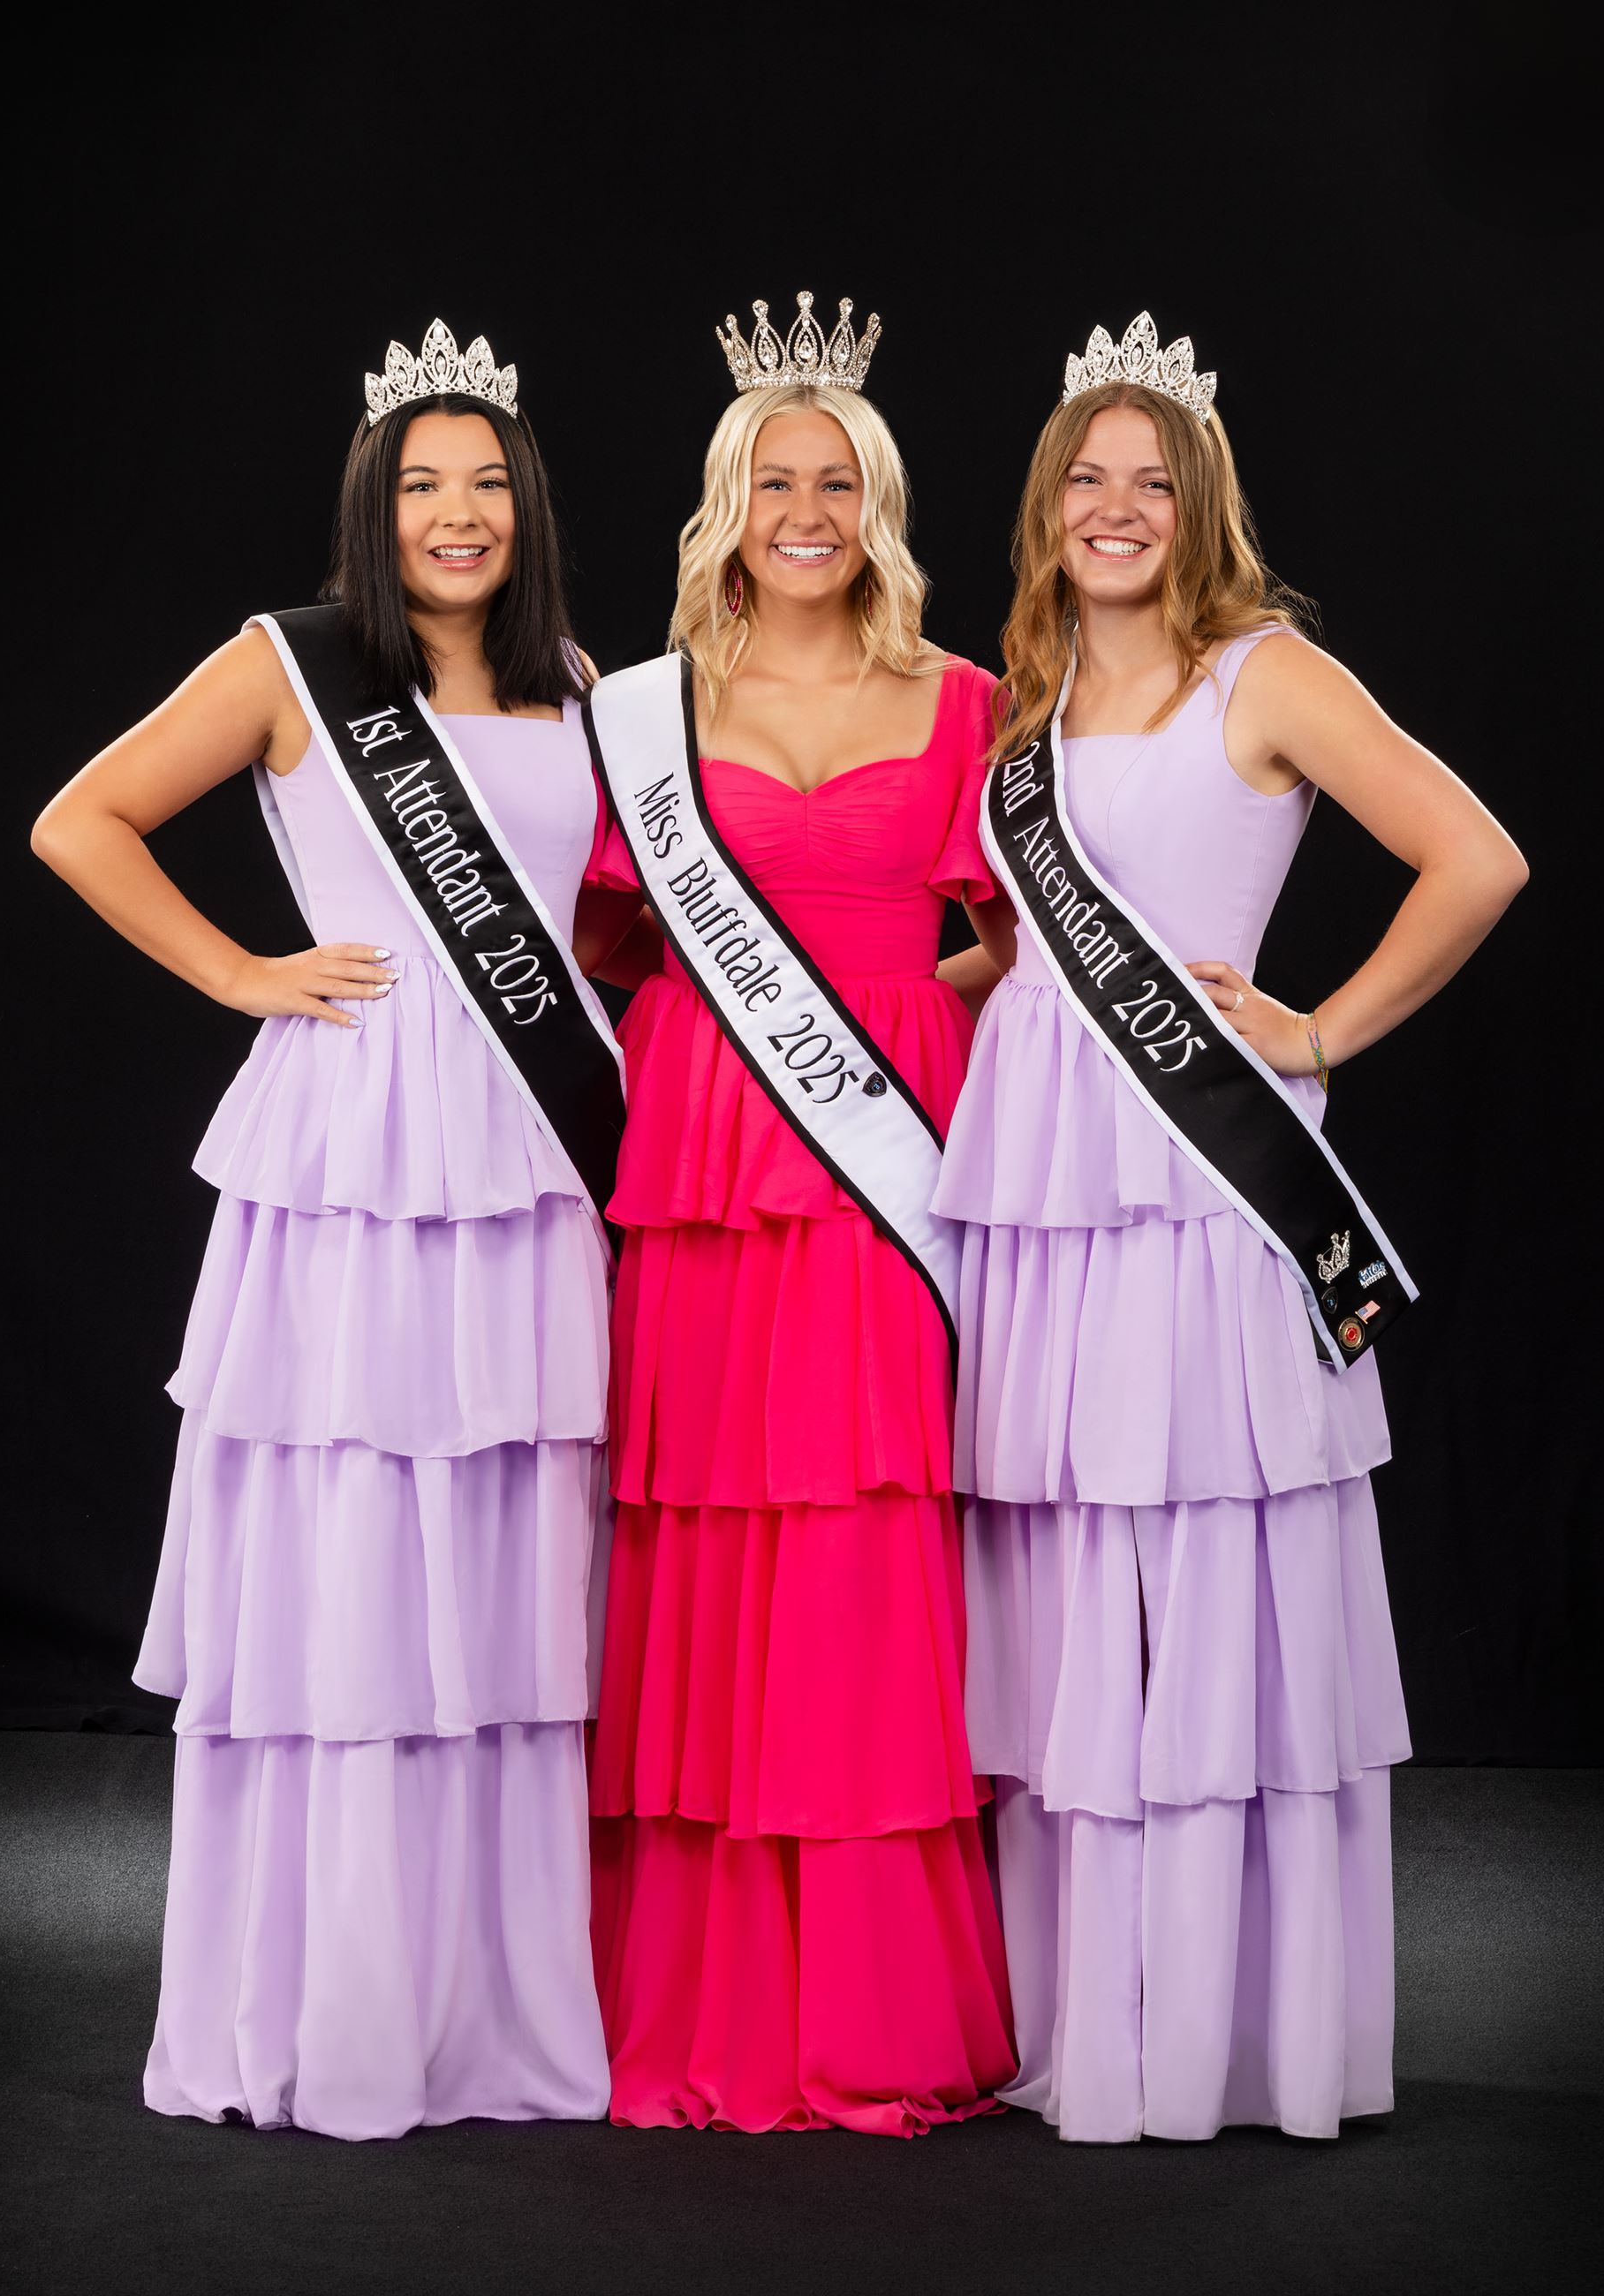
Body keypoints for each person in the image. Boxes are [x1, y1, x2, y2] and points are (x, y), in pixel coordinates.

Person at [30, 321, 626, 2138]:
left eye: (487, 483)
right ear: (375, 504)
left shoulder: (575, 681)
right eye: (423, 484)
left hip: (532, 1148)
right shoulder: (288, 662)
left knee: (510, 1553)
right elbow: (82, 822)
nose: (459, 513)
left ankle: (495, 2005)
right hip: (359, 1144)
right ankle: (341, 1999)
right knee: (358, 1541)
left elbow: (593, 922)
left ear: (527, 506)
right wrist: (242, 972)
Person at [938, 313, 1527, 2141]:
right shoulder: (1022, 712)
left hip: (1199, 1196)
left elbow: (1478, 859)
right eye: (1086, 480)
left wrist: (1321, 1029)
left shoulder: (1266, 676)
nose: (1115, 509)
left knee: (1204, 1574)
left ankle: (1211, 2038)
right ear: (1046, 509)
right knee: (1065, 1576)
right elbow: (1021, 964)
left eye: (1151, 482)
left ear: (1199, 508)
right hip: (1043, 1199)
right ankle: (1083, 2020)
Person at [581, 292, 1016, 2133]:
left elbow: (1024, 936)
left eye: (838, 482)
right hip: (706, 1175)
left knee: (863, 1532)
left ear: (881, 505)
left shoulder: (969, 699)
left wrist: (911, 1014)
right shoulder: (644, 712)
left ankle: (867, 2004)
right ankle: (699, 2000)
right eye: (775, 481)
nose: (807, 511)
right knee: (707, 1536)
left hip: (886, 1162)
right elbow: (605, 945)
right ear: (726, 505)